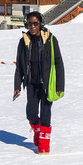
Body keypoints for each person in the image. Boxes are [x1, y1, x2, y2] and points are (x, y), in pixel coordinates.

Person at [13, 10, 64, 154]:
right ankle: (37, 129)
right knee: (31, 114)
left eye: (35, 23)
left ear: (40, 23)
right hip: (31, 83)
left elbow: (59, 63)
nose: (32, 26)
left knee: (46, 113)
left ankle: (44, 144)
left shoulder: (51, 40)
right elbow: (19, 65)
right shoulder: (24, 41)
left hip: (47, 84)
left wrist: (60, 85)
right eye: (29, 24)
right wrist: (17, 85)